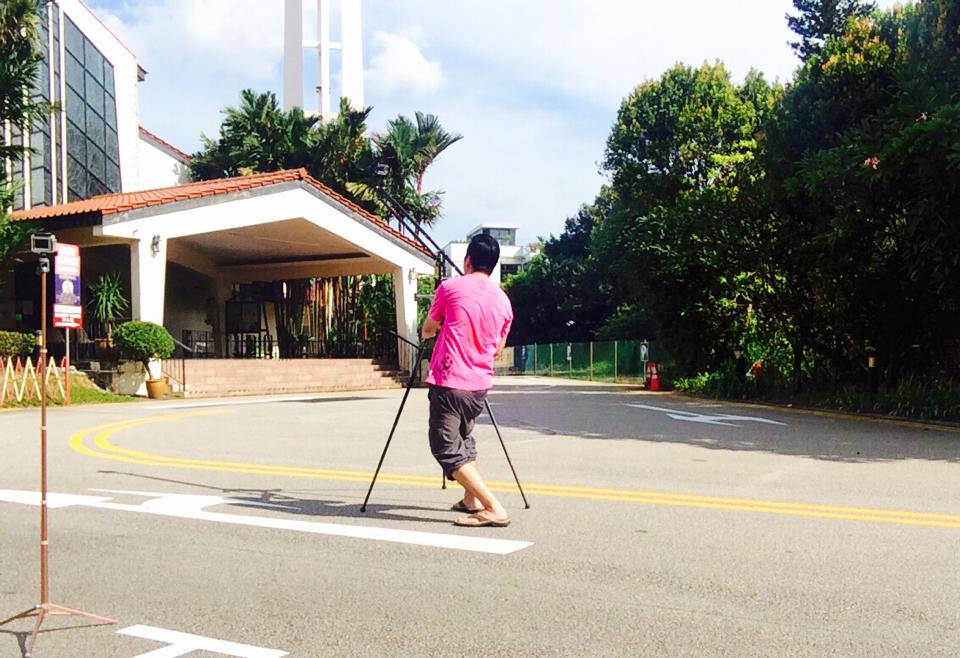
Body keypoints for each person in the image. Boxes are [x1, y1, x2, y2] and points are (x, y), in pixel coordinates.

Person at [421, 233, 514, 528]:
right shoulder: (503, 300)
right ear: (494, 265)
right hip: (479, 385)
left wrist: (446, 324)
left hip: (450, 380)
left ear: (468, 260)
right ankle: (470, 499)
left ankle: (493, 507)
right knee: (464, 438)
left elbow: (427, 329)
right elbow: (498, 349)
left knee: (445, 445)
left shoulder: (449, 287)